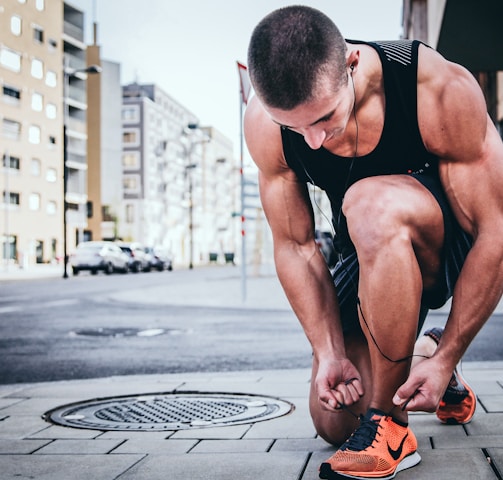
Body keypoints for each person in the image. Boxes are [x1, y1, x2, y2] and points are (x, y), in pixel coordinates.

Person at [244, 5, 503, 480]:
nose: (313, 141)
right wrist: (327, 351)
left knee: (369, 202)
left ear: (353, 64)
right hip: (367, 255)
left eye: (323, 118)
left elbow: (497, 228)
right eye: (295, 127)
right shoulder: (264, 124)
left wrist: (451, 353)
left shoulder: (433, 87)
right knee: (336, 420)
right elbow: (296, 246)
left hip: (444, 243)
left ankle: (393, 427)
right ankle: (415, 358)